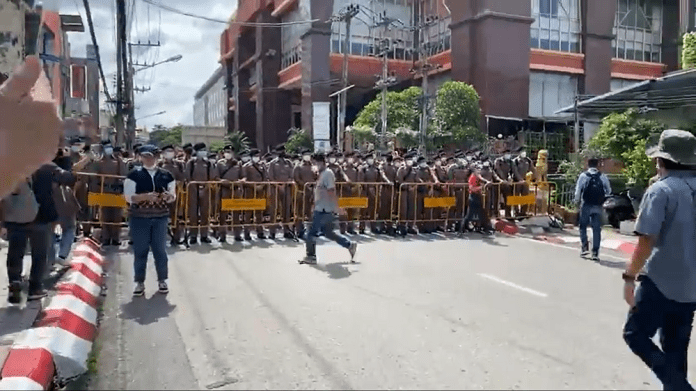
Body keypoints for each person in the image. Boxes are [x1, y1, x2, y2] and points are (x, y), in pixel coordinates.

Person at [622, 129, 696, 391]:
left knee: (635, 334)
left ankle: (681, 387)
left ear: (662, 161)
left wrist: (629, 276)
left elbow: (645, 242)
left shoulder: (661, 191)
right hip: (690, 288)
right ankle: (677, 384)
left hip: (660, 283)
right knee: (676, 351)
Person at [123, 145, 176, 297]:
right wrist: (145, 197)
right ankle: (139, 282)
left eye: (151, 156)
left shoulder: (167, 176)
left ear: (157, 157)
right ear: (140, 157)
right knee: (141, 250)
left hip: (160, 217)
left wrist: (168, 197)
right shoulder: (133, 175)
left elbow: (173, 196)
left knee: (160, 250)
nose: (148, 159)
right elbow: (128, 197)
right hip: (139, 218)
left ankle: (162, 280)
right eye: (145, 156)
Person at [302, 153, 357, 265]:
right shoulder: (321, 174)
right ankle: (349, 245)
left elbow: (331, 191)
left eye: (314, 163)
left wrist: (338, 207)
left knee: (311, 233)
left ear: (321, 162)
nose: (313, 166)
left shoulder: (327, 174)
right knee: (328, 233)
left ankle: (311, 256)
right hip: (321, 207)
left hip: (324, 209)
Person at [574, 157, 611, 261]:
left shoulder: (583, 176)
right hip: (598, 205)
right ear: (597, 165)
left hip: (586, 204)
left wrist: (576, 202)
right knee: (596, 229)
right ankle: (595, 252)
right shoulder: (602, 176)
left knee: (583, 226)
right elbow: (609, 190)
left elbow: (578, 191)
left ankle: (585, 247)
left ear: (588, 165)